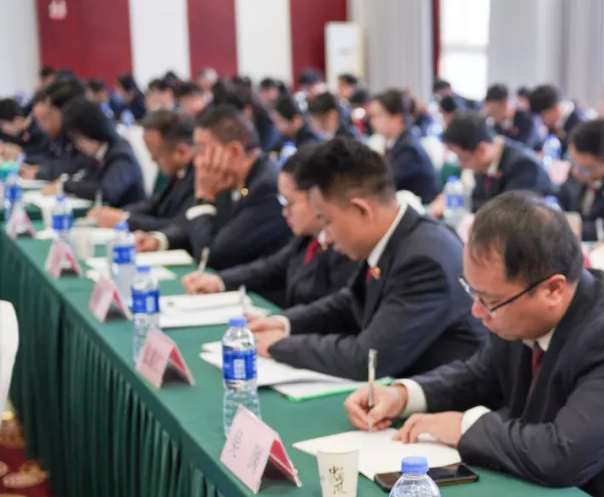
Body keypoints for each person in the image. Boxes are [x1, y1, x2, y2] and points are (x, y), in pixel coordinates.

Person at [349, 190, 604, 497]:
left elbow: (562, 454)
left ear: (553, 289)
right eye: (473, 293)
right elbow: (480, 375)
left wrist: (464, 426)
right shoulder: (522, 310)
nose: (477, 313)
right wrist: (403, 395)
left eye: (489, 300)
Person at [246, 138, 486, 378]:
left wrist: (280, 345)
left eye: (327, 221)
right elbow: (350, 301)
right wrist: (284, 323)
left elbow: (368, 358)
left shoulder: (424, 260)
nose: (326, 237)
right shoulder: (395, 237)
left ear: (361, 210)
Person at [181, 146, 356, 309]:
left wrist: (286, 323)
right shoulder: (308, 237)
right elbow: (272, 268)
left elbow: (334, 311)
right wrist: (220, 281)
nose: (285, 212)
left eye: (290, 203)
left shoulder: (345, 247)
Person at [135, 105, 291, 271]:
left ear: (234, 151)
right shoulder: (230, 178)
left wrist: (203, 199)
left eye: (201, 151)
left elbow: (212, 255)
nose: (197, 161)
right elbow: (190, 226)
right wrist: (159, 240)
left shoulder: (266, 189)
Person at [88, 109, 195, 230]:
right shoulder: (178, 173)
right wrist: (119, 213)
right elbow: (154, 205)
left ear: (181, 152)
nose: (153, 160)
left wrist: (125, 220)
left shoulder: (197, 178)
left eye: (157, 154)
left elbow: (179, 226)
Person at [434, 113, 552, 215]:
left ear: (482, 150)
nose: (461, 165)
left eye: (463, 159)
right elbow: (478, 202)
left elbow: (507, 214)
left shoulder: (524, 167)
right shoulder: (484, 164)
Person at [40, 98, 145, 207]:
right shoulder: (98, 153)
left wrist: (66, 186)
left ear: (90, 130)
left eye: (77, 139)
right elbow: (87, 181)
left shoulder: (121, 154)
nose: (77, 145)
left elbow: (106, 192)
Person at [367, 88, 441, 204]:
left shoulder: (409, 149)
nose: (372, 121)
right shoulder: (394, 143)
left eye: (377, 116)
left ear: (396, 119)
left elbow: (383, 184)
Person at [20, 80, 88, 180]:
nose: (42, 127)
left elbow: (75, 167)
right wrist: (35, 167)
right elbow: (49, 157)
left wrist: (40, 173)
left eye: (46, 118)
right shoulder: (60, 135)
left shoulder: (85, 135)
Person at [529, 84, 588, 153]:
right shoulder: (555, 123)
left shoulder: (581, 127)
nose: (542, 122)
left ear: (555, 108)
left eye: (543, 117)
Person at [484, 83, 540, 149]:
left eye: (494, 112)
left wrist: (503, 142)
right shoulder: (496, 125)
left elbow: (525, 148)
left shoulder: (528, 120)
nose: (491, 116)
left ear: (505, 106)